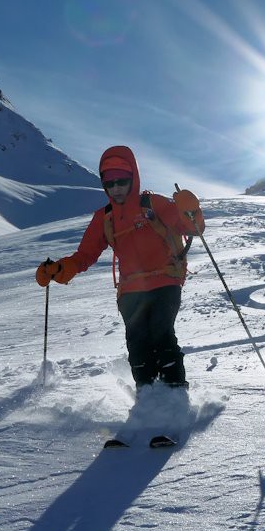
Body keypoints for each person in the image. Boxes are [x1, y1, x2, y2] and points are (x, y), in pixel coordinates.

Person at [37, 145, 205, 389]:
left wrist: (191, 210)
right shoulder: (105, 217)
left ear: (133, 179)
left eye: (121, 181)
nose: (116, 188)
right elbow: (85, 255)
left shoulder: (154, 204)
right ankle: (147, 397)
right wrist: (59, 270)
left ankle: (174, 395)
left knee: (161, 332)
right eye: (110, 183)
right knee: (137, 342)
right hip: (130, 290)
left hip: (166, 281)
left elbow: (193, 228)